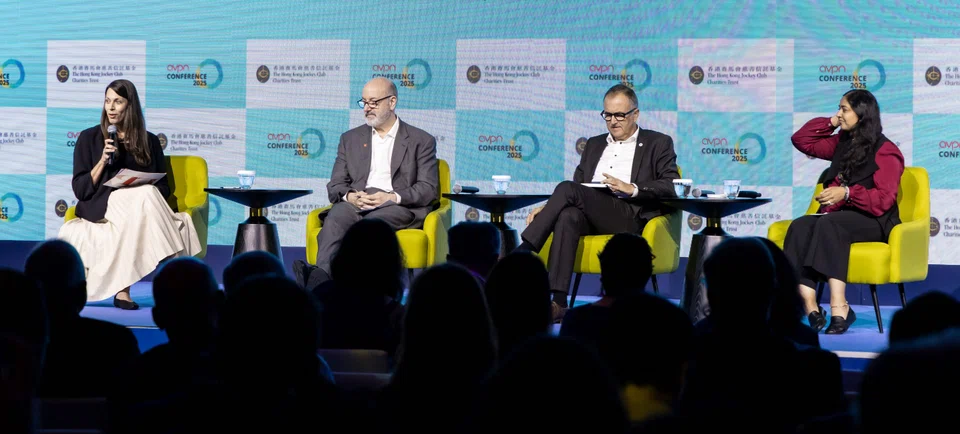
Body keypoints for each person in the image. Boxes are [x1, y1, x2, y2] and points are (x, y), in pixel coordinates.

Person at [518, 84, 679, 321]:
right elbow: (578, 187)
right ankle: (558, 302)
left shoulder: (658, 142)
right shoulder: (594, 144)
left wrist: (632, 188)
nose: (613, 121)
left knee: (565, 189)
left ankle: (524, 251)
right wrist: (549, 207)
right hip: (591, 212)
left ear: (635, 114)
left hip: (628, 214)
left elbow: (672, 184)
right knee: (567, 216)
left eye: (620, 115)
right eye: (608, 115)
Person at [58, 79, 201, 309]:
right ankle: (178, 265)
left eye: (118, 101)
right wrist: (103, 161)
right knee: (146, 197)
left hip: (139, 208)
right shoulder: (88, 138)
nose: (111, 108)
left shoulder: (150, 141)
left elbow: (163, 189)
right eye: (107, 101)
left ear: (130, 105)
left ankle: (123, 291)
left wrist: (138, 186)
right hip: (102, 205)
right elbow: (81, 190)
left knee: (145, 194)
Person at [295, 77, 439, 290]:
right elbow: (335, 184)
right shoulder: (350, 139)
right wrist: (350, 196)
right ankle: (321, 285)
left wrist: (390, 197)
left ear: (392, 102)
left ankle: (357, 290)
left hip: (396, 206)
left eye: (374, 102)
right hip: (356, 202)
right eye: (364, 102)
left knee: (367, 229)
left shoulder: (421, 140)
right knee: (335, 220)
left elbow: (428, 189)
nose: (367, 108)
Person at [784, 89, 904, 334]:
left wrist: (847, 193)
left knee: (831, 224)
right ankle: (809, 305)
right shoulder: (842, 143)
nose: (838, 114)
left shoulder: (886, 151)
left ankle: (841, 307)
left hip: (875, 219)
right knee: (800, 225)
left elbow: (883, 200)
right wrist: (831, 122)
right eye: (838, 108)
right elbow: (802, 140)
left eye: (844, 109)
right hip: (842, 216)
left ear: (862, 114)